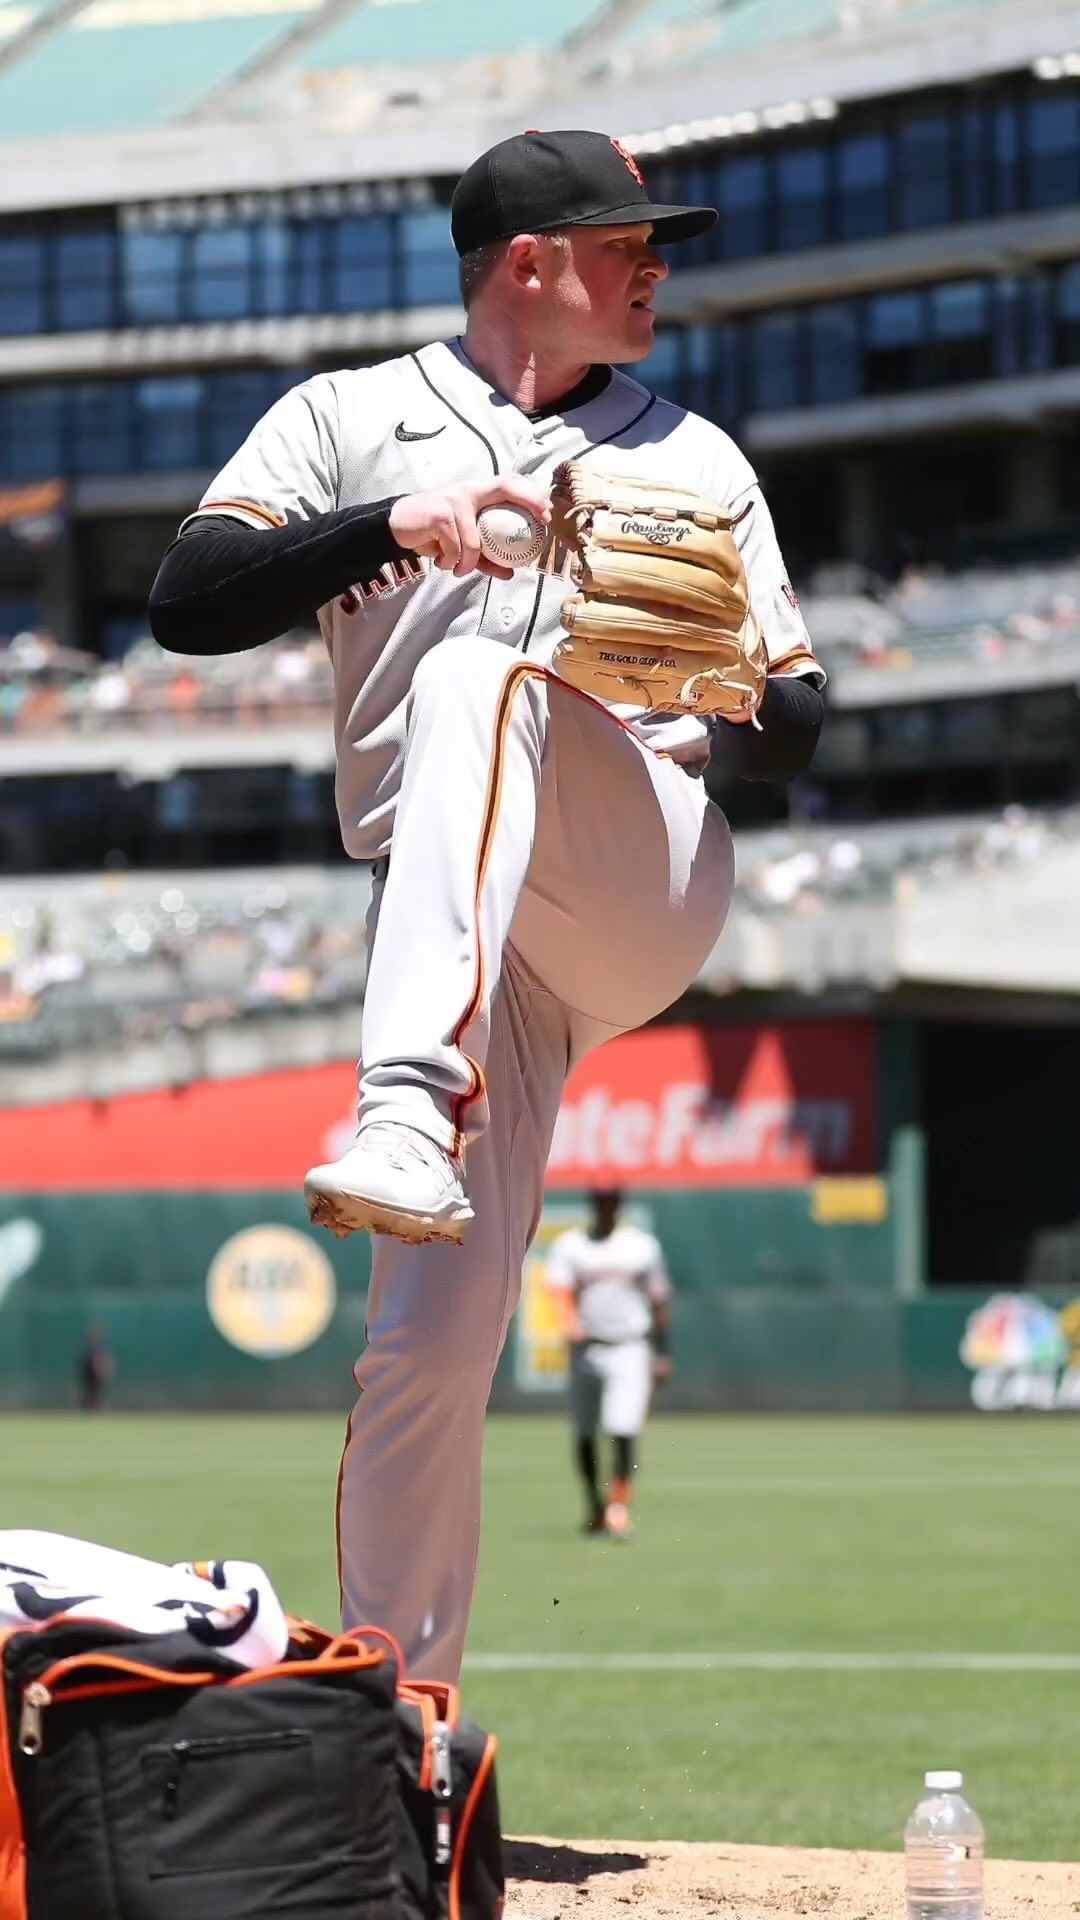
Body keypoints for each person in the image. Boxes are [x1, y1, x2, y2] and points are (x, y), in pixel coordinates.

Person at [148, 128, 825, 1682]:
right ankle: (401, 1720)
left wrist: (728, 692)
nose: (654, 268)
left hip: (635, 866)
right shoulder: (348, 418)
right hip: (460, 940)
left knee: (471, 679)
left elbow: (797, 725)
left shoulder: (696, 456)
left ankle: (403, 1106)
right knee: (424, 1354)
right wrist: (388, 525)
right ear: (531, 260)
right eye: (625, 242)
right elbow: (189, 601)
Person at [544, 1188, 672, 1538]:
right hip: (586, 1348)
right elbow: (558, 1289)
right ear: (593, 1206)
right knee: (585, 1431)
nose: (605, 1208)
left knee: (623, 1427)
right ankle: (594, 1507)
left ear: (619, 1206)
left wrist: (663, 1352)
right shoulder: (572, 1245)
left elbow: (658, 1300)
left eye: (611, 1202)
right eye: (600, 1202)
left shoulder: (641, 1247)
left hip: (629, 1346)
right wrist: (569, 1323)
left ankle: (618, 1507)